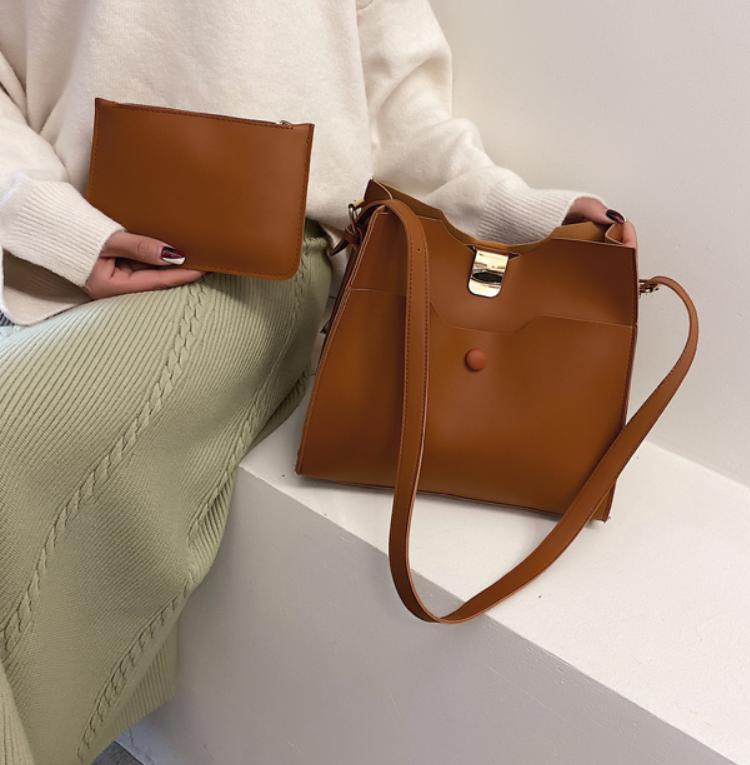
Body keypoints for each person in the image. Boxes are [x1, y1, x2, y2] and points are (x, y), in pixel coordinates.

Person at [0, 1, 637, 762]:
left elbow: (398, 108)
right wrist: (50, 221)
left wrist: (515, 212)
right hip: (39, 252)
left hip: (255, 268)